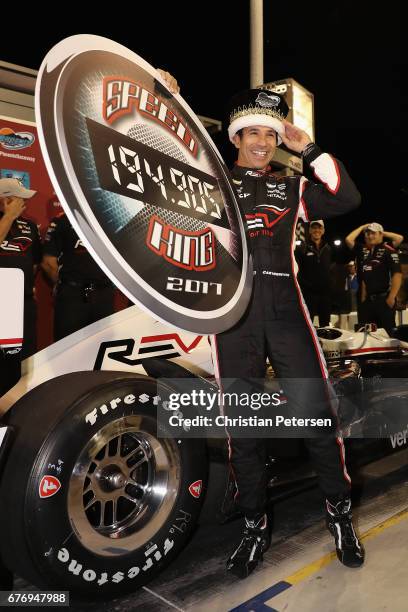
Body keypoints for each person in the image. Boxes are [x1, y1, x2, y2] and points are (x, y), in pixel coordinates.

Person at [211, 88, 364, 578]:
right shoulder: (208, 180)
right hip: (231, 316)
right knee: (243, 425)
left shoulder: (292, 185)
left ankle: (338, 514)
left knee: (317, 415)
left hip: (285, 311)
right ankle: (255, 523)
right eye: (253, 132)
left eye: (270, 134)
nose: (261, 142)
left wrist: (309, 149)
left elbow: (347, 197)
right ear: (236, 136)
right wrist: (160, 88)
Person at [42, 212, 115, 340]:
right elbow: (48, 262)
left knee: (103, 347)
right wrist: (63, 283)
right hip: (72, 296)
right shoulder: (63, 220)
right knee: (67, 349)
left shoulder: (112, 218)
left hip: (104, 294)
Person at [0, 177, 40, 359]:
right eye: (19, 198)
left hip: (24, 302)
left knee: (25, 356)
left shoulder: (30, 225)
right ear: (6, 200)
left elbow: (34, 262)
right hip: (2, 302)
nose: (24, 202)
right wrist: (8, 217)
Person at [346, 223, 402, 335]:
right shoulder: (362, 249)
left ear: (380, 234)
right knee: (365, 334)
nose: (370, 236)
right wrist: (363, 227)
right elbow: (348, 239)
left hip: (384, 300)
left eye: (373, 233)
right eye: (367, 233)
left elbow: (397, 275)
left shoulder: (388, 248)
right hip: (366, 302)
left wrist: (391, 298)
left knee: (387, 334)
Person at [295, 220, 332, 327]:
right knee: (307, 324)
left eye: (319, 228)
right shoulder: (301, 248)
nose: (317, 230)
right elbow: (297, 271)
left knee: (325, 325)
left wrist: (329, 284)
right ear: (310, 230)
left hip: (325, 294)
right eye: (314, 228)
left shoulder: (328, 248)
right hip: (309, 294)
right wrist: (307, 286)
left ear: (323, 230)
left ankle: (323, 344)